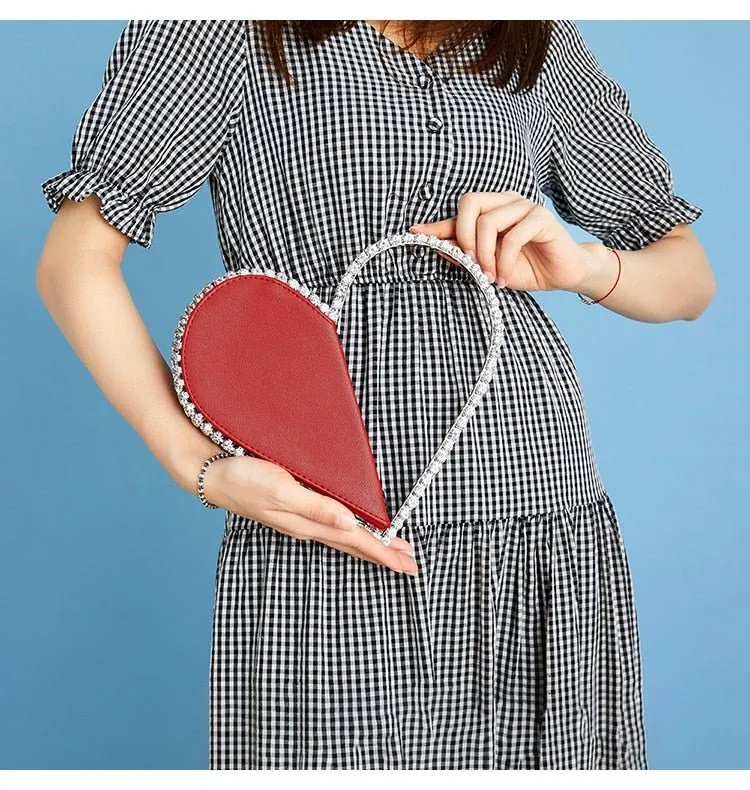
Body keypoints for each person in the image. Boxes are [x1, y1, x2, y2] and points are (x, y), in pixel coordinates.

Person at [36, 19, 714, 770]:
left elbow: (689, 278)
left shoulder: (532, 34)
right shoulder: (223, 26)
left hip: (542, 516)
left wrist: (583, 267)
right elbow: (73, 264)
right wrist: (200, 468)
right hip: (332, 516)